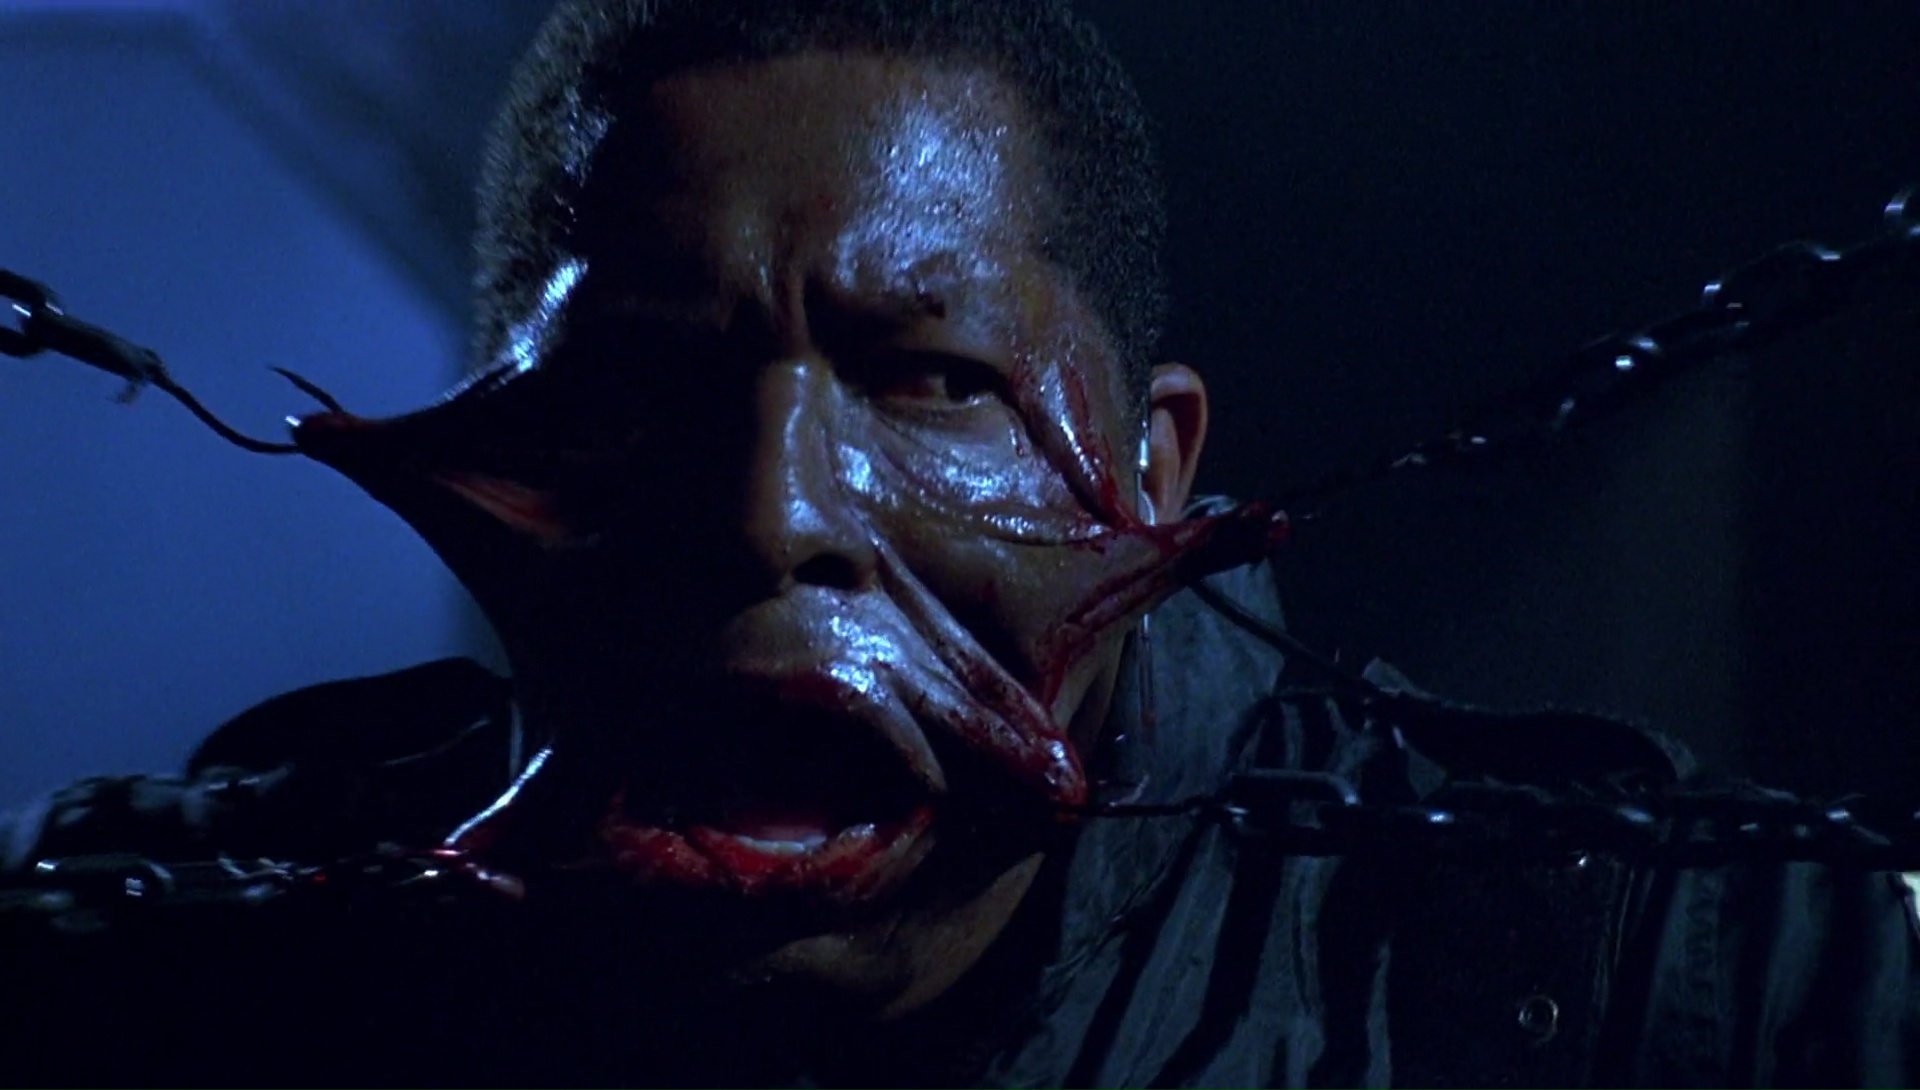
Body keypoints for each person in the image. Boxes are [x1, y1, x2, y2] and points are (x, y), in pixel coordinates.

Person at [1, 1, 1914, 1087]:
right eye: (648, 387)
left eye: (926, 380)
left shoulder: (1636, 964)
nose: (771, 516)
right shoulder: (200, 951)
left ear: (1158, 473)